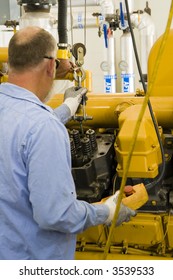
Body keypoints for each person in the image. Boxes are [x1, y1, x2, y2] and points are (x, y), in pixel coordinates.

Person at [0, 26, 136, 260]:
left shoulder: (22, 116)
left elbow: (20, 128)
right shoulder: (43, 128)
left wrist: (67, 109)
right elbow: (56, 214)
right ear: (51, 66)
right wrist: (106, 211)